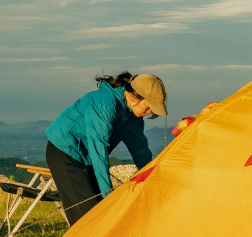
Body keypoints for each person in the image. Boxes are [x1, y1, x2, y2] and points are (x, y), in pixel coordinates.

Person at [44, 72, 167, 225]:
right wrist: (107, 194)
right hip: (64, 152)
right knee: (88, 217)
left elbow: (140, 150)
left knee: (100, 212)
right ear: (135, 96)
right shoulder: (103, 103)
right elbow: (99, 148)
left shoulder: (133, 117)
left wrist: (154, 182)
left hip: (87, 157)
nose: (150, 112)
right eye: (149, 107)